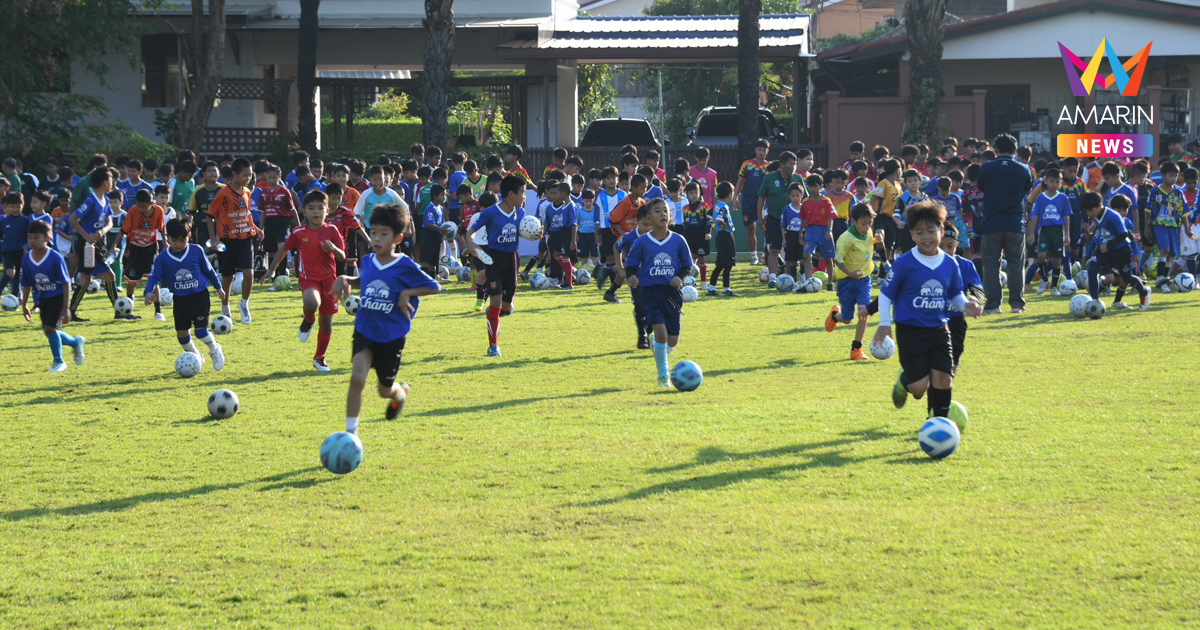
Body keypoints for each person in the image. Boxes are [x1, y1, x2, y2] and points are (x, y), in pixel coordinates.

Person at [332, 204, 441, 433]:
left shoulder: (404, 264)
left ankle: (399, 394)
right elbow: (366, 281)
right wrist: (346, 279)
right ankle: (350, 435)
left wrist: (406, 292)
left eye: (384, 234)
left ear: (397, 238)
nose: (377, 238)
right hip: (365, 329)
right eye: (373, 232)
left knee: (384, 390)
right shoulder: (368, 261)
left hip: (391, 336)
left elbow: (434, 287)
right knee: (357, 379)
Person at [873, 201, 982, 418]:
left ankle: (939, 422)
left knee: (944, 378)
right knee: (918, 388)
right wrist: (885, 324)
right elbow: (886, 293)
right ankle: (906, 380)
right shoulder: (905, 263)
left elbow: (954, 294)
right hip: (910, 331)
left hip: (939, 329)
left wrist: (967, 305)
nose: (926, 237)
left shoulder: (950, 264)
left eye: (931, 231)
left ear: (941, 231)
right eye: (919, 232)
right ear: (912, 235)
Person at [262, 190, 346, 372]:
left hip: (329, 281)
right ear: (304, 212)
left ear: (327, 210)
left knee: (326, 323)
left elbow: (342, 257)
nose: (316, 212)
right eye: (311, 208)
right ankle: (308, 320)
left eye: (320, 208)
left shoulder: (332, 230)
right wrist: (272, 269)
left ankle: (319, 358)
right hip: (309, 279)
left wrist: (333, 249)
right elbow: (285, 248)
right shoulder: (299, 232)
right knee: (311, 302)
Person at [623, 198, 694, 387]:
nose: (663, 214)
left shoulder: (679, 240)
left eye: (666, 211)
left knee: (672, 340)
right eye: (657, 211)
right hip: (651, 292)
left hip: (672, 294)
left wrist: (680, 277)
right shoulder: (643, 242)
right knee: (661, 333)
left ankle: (659, 346)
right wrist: (631, 276)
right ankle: (663, 375)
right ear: (649, 217)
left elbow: (687, 266)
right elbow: (630, 264)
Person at [466, 174, 536, 357]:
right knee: (496, 301)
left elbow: (522, 231)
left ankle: (494, 313)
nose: (525, 197)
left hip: (513, 260)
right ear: (511, 194)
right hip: (493, 260)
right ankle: (493, 346)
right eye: (523, 193)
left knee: (506, 307)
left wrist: (536, 234)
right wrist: (472, 245)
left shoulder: (520, 213)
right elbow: (470, 232)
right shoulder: (490, 212)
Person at [143, 217, 227, 371]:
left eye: (183, 240)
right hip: (180, 300)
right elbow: (155, 277)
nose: (178, 244)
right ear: (167, 238)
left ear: (189, 237)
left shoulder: (196, 251)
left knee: (201, 332)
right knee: (182, 336)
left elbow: (209, 271)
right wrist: (148, 292)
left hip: (199, 297)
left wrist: (218, 288)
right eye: (174, 240)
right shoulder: (163, 258)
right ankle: (196, 357)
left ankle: (214, 349)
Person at [975, 133, 1033, 314]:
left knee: (991, 264)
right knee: (1016, 264)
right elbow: (1027, 189)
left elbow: (981, 187)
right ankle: (1017, 304)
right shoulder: (1024, 169)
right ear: (1015, 150)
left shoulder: (986, 167)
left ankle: (993, 305)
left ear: (996, 150)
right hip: (1015, 223)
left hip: (991, 223)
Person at [19, 221, 85, 372]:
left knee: (50, 329)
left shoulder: (55, 257)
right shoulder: (26, 258)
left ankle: (59, 362)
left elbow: (66, 283)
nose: (32, 241)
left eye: (36, 237)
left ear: (47, 238)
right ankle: (75, 342)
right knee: (50, 330)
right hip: (43, 299)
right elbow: (27, 283)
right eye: (29, 238)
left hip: (58, 297)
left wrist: (66, 308)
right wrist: (24, 305)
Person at [208, 158, 261, 325]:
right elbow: (210, 216)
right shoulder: (223, 194)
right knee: (228, 277)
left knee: (248, 273)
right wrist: (214, 239)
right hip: (227, 240)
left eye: (250, 175)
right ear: (235, 174)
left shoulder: (247, 192)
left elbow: (246, 213)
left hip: (246, 237)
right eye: (245, 175)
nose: (248, 179)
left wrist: (255, 228)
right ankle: (225, 307)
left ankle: (244, 304)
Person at [67, 168, 122, 321]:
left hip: (96, 245)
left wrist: (102, 231)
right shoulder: (91, 200)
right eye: (111, 180)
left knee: (86, 279)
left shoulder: (105, 200)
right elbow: (72, 219)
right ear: (105, 183)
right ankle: (119, 311)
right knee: (109, 275)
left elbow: (109, 222)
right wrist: (86, 235)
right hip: (87, 246)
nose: (113, 183)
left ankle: (70, 312)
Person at [825, 203, 878, 361]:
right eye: (864, 223)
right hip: (847, 282)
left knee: (863, 312)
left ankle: (856, 349)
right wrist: (851, 273)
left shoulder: (868, 231)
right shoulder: (845, 239)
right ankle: (835, 316)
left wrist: (877, 238)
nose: (867, 227)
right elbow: (838, 261)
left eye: (870, 223)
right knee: (848, 318)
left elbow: (869, 243)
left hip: (864, 280)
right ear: (853, 221)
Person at [1082, 191, 1149, 310]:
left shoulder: (1113, 216)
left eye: (1090, 211)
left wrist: (1109, 245)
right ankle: (1094, 301)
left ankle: (1144, 292)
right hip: (1105, 253)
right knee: (1092, 269)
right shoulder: (1097, 216)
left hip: (1121, 252)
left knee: (1127, 278)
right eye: (1087, 212)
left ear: (1099, 206)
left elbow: (1123, 234)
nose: (1089, 214)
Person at [758, 151, 805, 286]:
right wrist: (761, 218)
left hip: (795, 221)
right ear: (782, 164)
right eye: (791, 164)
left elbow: (806, 200)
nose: (794, 166)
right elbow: (761, 197)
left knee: (798, 250)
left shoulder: (798, 178)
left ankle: (800, 276)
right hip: (774, 218)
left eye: (795, 164)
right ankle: (772, 278)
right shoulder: (770, 178)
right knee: (774, 248)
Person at [940, 223, 984, 372]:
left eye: (950, 246)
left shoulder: (965, 265)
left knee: (953, 360)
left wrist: (975, 298)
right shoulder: (927, 265)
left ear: (957, 245)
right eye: (940, 246)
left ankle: (945, 392)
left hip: (956, 321)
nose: (945, 251)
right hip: (932, 320)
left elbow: (977, 287)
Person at [615, 202, 657, 348]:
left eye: (651, 225)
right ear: (636, 222)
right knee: (639, 305)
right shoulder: (630, 237)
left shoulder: (657, 236)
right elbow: (616, 246)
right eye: (645, 225)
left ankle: (650, 332)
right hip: (635, 277)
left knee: (652, 305)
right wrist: (621, 269)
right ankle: (642, 336)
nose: (648, 229)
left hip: (653, 277)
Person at [1146, 161, 1192, 292]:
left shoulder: (1178, 193)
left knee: (1171, 254)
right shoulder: (1155, 191)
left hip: (1174, 226)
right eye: (1171, 175)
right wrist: (1146, 227)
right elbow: (1147, 210)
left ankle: (1164, 280)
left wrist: (1187, 229)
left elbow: (1184, 212)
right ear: (1163, 175)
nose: (1174, 178)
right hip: (1160, 225)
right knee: (1164, 249)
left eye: (1176, 175)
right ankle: (1160, 277)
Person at [121, 189, 167, 321]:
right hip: (135, 250)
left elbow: (161, 228)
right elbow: (124, 230)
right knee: (132, 283)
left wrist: (164, 242)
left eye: (143, 206)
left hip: (151, 249)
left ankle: (158, 312)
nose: (140, 209)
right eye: (138, 205)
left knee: (154, 278)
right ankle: (129, 308)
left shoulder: (158, 211)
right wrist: (114, 247)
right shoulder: (133, 211)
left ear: (151, 203)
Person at [1025, 168, 1072, 296]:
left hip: (1057, 231)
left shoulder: (1063, 198)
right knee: (1041, 256)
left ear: (1060, 182)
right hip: (1044, 231)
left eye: (1057, 182)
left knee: (1057, 261)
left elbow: (1066, 217)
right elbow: (1035, 216)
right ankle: (1045, 279)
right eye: (1051, 181)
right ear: (1046, 181)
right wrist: (1030, 234)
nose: (1054, 184)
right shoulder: (1040, 198)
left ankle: (1054, 287)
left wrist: (1067, 235)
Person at [254, 163, 300, 285]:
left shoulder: (284, 192)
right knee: (271, 250)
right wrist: (261, 228)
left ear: (280, 177)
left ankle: (282, 273)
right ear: (266, 178)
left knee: (282, 246)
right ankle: (274, 278)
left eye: (275, 177)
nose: (272, 180)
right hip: (269, 223)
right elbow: (263, 212)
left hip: (283, 222)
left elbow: (292, 210)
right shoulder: (264, 192)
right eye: (269, 177)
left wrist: (299, 226)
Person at [605, 173, 648, 303]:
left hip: (639, 238)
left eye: (646, 187)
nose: (644, 190)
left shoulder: (642, 203)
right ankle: (635, 293)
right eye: (642, 188)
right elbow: (613, 219)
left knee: (629, 268)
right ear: (633, 188)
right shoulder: (625, 202)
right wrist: (623, 234)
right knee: (629, 268)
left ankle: (610, 286)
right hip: (628, 239)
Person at [801, 174, 837, 291]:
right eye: (810, 186)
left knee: (827, 259)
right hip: (811, 232)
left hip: (824, 231)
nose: (812, 189)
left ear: (821, 186)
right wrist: (800, 232)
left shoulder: (826, 201)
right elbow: (803, 218)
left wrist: (829, 231)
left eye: (815, 186)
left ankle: (830, 282)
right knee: (807, 255)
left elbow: (831, 217)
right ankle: (809, 281)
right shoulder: (805, 202)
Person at [872, 159, 904, 274]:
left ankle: (881, 277)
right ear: (897, 170)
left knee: (889, 247)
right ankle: (885, 262)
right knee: (879, 235)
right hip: (881, 216)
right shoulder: (883, 183)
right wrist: (872, 213)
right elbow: (874, 199)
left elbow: (901, 202)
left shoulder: (898, 185)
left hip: (892, 219)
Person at [544, 182, 578, 289]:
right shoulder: (565, 205)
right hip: (562, 232)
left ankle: (569, 283)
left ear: (563, 194)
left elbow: (574, 224)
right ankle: (569, 276)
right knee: (556, 254)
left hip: (567, 233)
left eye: (557, 193)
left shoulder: (571, 206)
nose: (556, 195)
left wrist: (573, 240)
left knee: (565, 257)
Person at [680, 181, 712, 290]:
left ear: (699, 193)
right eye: (691, 193)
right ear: (687, 195)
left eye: (696, 192)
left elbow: (710, 221)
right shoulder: (685, 208)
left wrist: (708, 232)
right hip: (690, 235)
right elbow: (684, 224)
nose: (694, 195)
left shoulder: (705, 206)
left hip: (701, 235)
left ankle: (704, 282)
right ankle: (690, 281)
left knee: (701, 258)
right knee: (691, 259)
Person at [354, 165, 407, 230]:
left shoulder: (391, 194)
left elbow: (405, 208)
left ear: (384, 178)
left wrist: (402, 225)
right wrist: (361, 222)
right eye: (374, 179)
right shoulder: (366, 194)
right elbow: (357, 212)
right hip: (370, 229)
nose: (378, 182)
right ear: (370, 179)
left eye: (380, 179)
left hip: (387, 230)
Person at [709, 182, 737, 297]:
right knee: (728, 264)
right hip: (725, 236)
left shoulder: (716, 205)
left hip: (720, 236)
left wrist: (714, 226)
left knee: (720, 264)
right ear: (730, 194)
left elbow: (709, 216)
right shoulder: (723, 207)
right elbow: (720, 218)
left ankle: (712, 288)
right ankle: (726, 289)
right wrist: (723, 224)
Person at [0, 192, 30, 297]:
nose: (15, 209)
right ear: (7, 207)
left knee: (17, 277)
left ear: (23, 205)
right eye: (12, 207)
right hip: (7, 251)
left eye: (18, 206)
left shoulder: (26, 220)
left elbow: (29, 235)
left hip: (20, 251)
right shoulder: (3, 221)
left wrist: (28, 244)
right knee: (10, 272)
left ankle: (14, 300)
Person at [781, 184, 806, 283]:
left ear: (802, 195)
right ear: (789, 196)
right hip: (790, 235)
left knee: (803, 258)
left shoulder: (804, 208)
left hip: (802, 235)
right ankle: (794, 281)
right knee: (792, 260)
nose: (795, 198)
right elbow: (783, 225)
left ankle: (802, 276)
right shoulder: (786, 209)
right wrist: (784, 238)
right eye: (793, 196)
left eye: (797, 195)